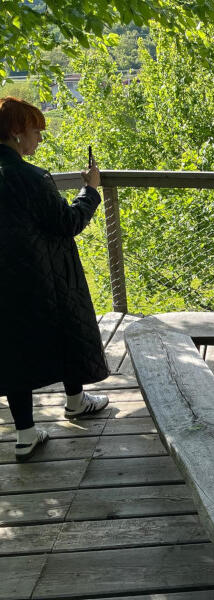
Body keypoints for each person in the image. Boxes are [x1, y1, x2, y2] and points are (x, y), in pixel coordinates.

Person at [0, 97, 110, 461]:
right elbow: (68, 223)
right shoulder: (32, 178)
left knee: (11, 347)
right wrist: (90, 189)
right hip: (42, 276)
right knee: (67, 326)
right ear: (16, 132)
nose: (39, 139)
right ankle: (76, 402)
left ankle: (25, 434)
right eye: (36, 131)